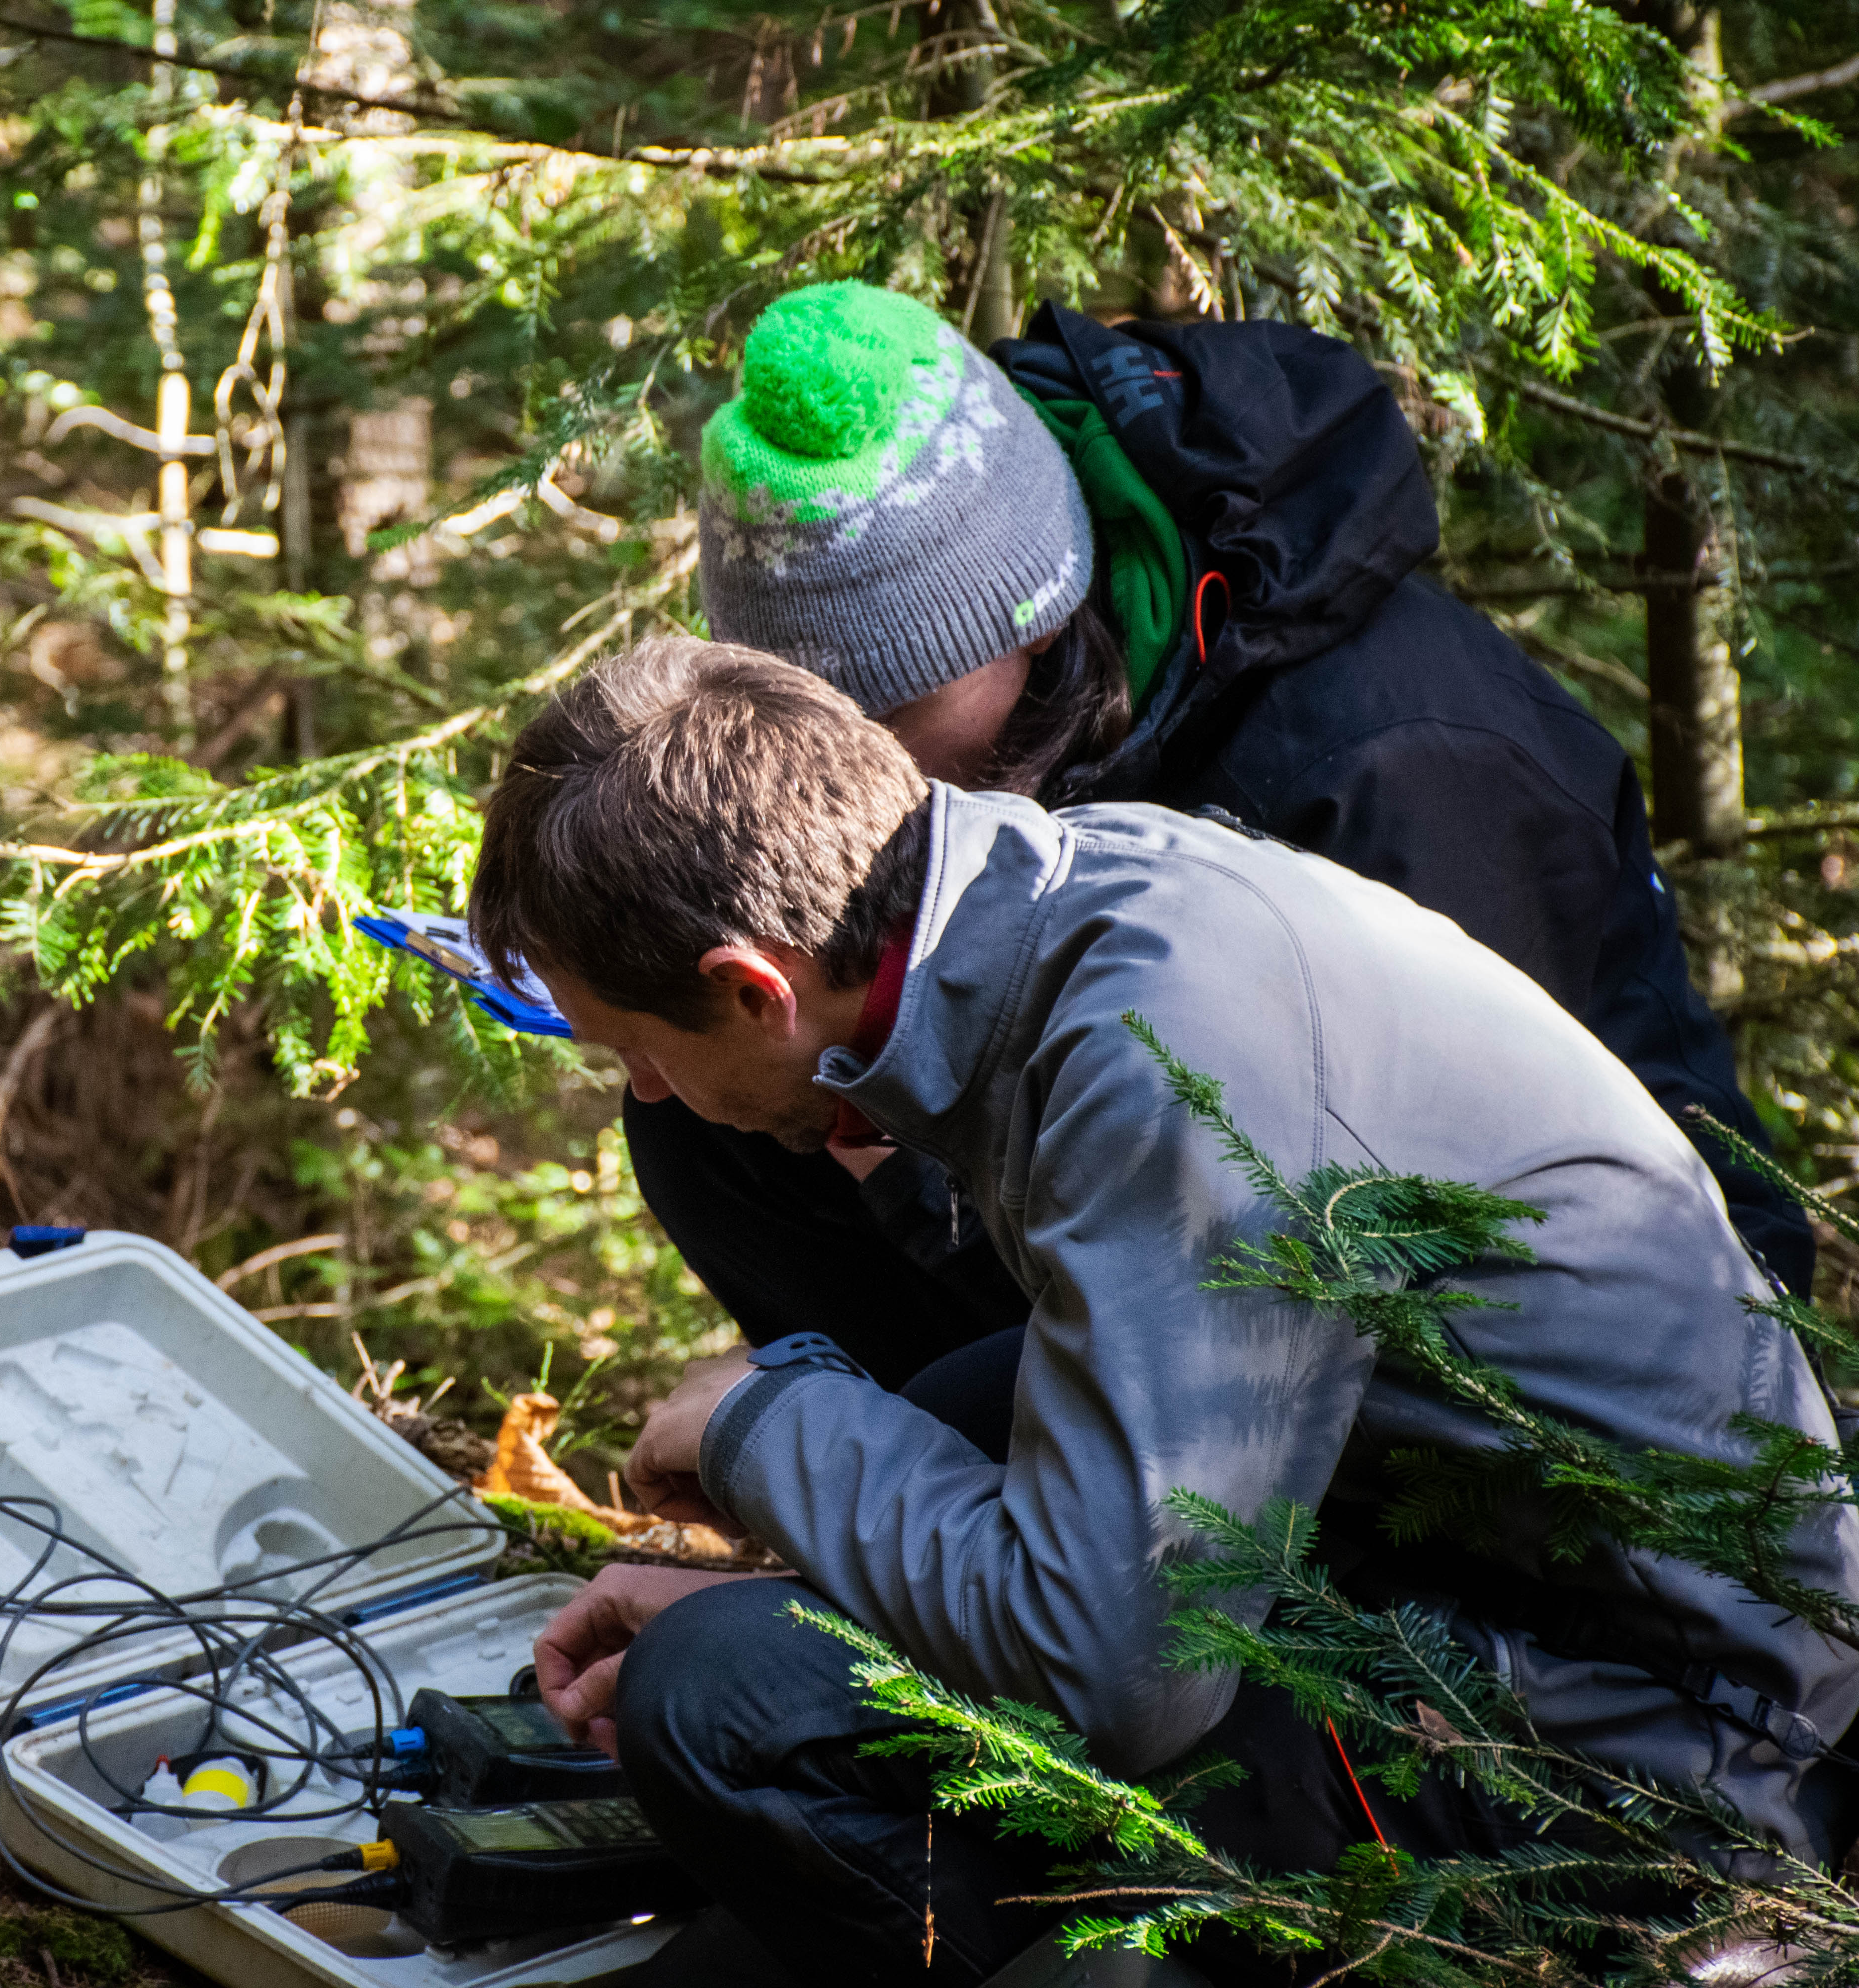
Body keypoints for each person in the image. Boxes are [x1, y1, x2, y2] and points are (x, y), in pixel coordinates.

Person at [467, 639, 1859, 1986]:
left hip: (1655, 1788)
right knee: (959, 1416)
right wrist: (809, 1567)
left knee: (723, 1701)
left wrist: (763, 1427)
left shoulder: (1160, 1063)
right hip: (1489, 1599)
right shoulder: (1081, 904)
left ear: (748, 990)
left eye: (638, 1053)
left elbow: (1116, 1678)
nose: (645, 1096)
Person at [640, 282, 1811, 1411]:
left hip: (1541, 1358)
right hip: (1144, 1233)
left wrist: (906, 1171)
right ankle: (925, 1530)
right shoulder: (1012, 730)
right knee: (701, 1103)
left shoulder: (1388, 767)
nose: (858, 780)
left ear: (1035, 617)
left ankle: (965, 1530)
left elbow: (1374, 1253)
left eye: (888, 716)